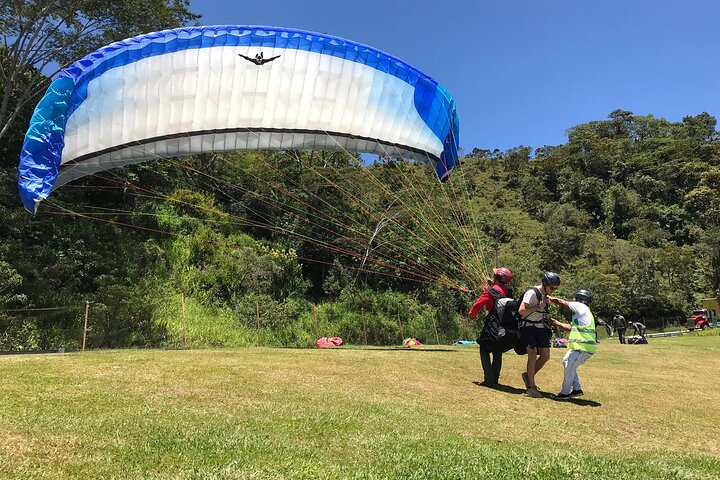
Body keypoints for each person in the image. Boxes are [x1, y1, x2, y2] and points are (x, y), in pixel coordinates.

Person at [547, 289, 596, 400]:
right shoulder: (582, 313)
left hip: (583, 347)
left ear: (579, 299)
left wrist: (548, 298)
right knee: (567, 362)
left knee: (569, 366)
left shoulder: (580, 306)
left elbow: (562, 302)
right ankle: (577, 389)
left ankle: (564, 393)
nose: (572, 300)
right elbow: (570, 328)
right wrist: (555, 322)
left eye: (575, 298)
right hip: (581, 347)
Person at [469, 267, 513, 387]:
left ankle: (488, 380)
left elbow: (478, 305)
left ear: (496, 278)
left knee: (484, 350)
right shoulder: (509, 292)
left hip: (492, 326)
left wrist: (471, 316)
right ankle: (495, 379)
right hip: (504, 328)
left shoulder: (489, 291)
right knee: (497, 351)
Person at [518, 272, 560, 398]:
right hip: (527, 326)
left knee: (545, 356)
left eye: (555, 288)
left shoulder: (545, 294)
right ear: (545, 284)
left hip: (540, 326)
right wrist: (537, 306)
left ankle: (527, 376)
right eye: (552, 288)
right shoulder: (532, 293)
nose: (553, 290)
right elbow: (521, 311)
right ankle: (531, 386)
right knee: (532, 354)